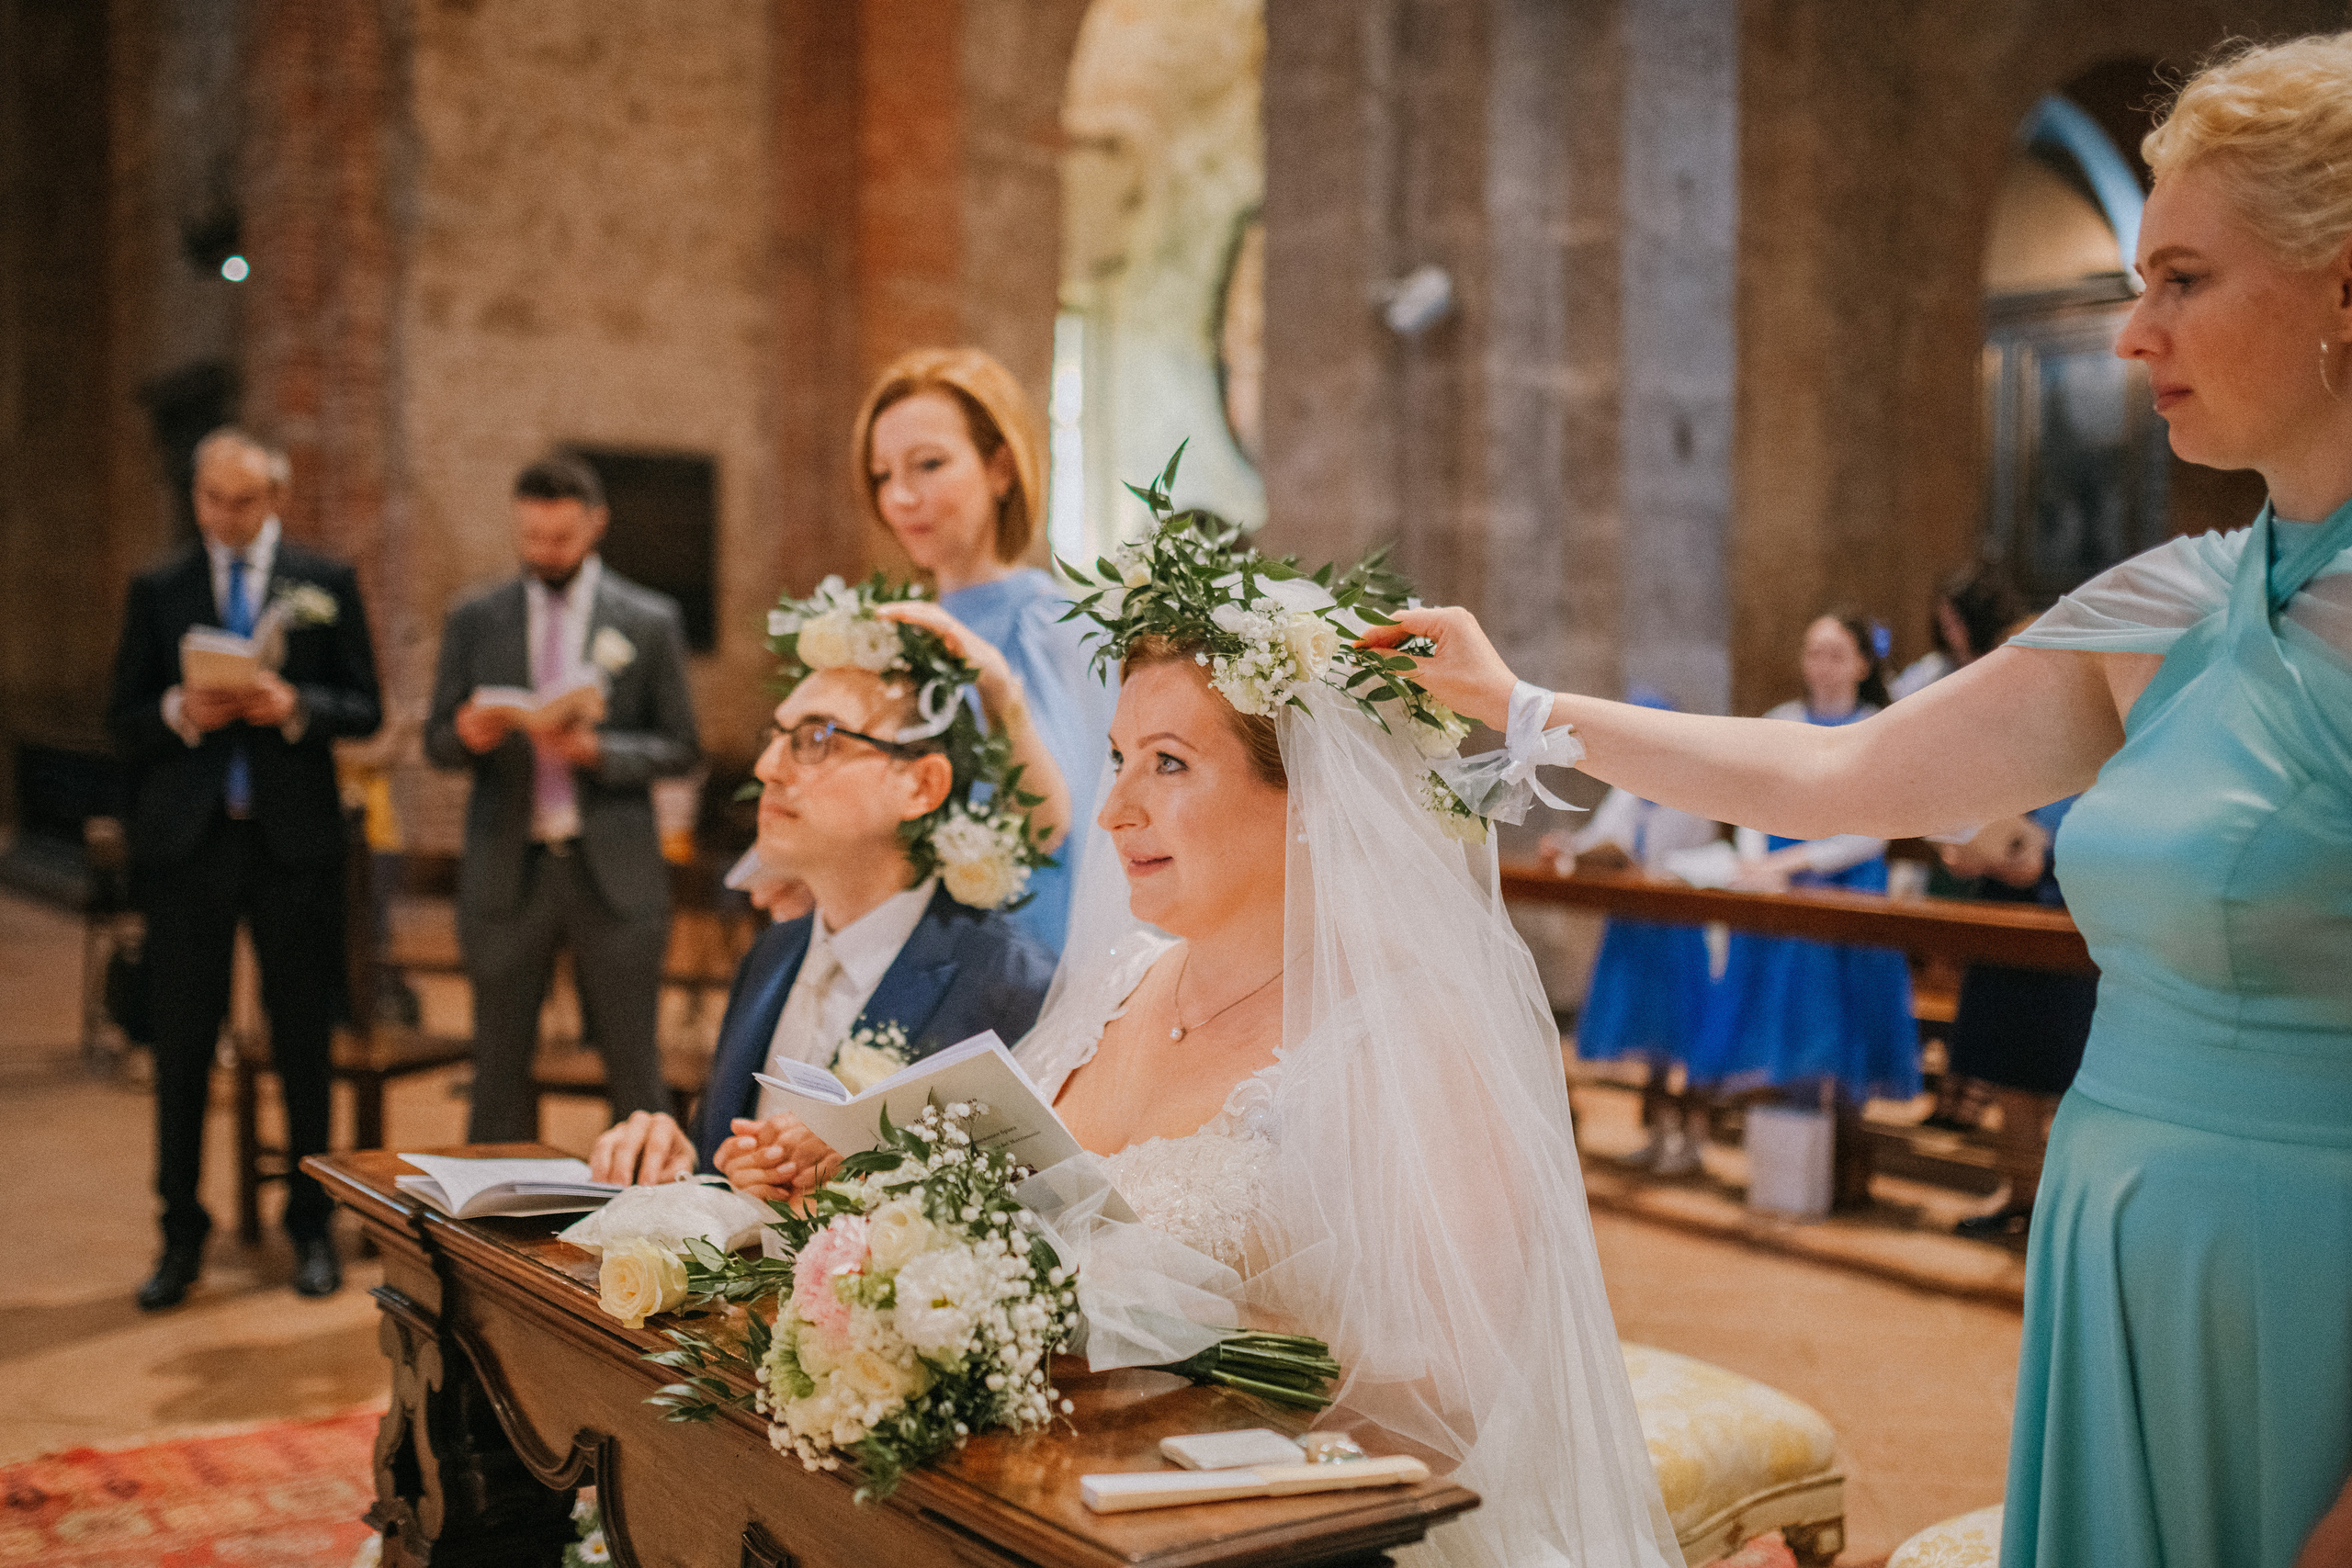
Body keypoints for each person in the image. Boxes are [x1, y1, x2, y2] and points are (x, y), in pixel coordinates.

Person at [1372, 34, 2352, 1560]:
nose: (2130, 332)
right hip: (2116, 1231)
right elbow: (1838, 773)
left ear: (2342, 288)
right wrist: (1522, 705)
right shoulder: (2172, 603)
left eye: (2183, 279)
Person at [724, 504, 1684, 1567]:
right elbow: (1026, 1220)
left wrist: (1158, 1464)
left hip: (1264, 1537)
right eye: (1117, 759)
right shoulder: (1118, 986)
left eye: (1170, 764)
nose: (1114, 810)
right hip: (1047, 1504)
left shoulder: (1412, 1038)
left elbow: (1445, 1407)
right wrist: (876, 1200)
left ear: (1307, 793)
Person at [590, 581, 1062, 1190]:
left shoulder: (1006, 984)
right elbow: (726, 1166)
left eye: (816, 739)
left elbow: (1025, 1212)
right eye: (776, 735)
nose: (767, 768)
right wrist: (675, 1162)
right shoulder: (773, 952)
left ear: (922, 786)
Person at [107, 427, 382, 1308]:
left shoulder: (322, 581)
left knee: (302, 1038)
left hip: (290, 842)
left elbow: (365, 706)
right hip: (190, 844)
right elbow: (120, 717)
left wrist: (295, 705)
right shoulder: (159, 586)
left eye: (245, 501)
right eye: (213, 500)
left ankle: (312, 1226)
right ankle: (180, 1234)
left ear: (276, 499)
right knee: (184, 1042)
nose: (227, 517)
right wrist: (180, 710)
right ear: (197, 497)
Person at [424, 454, 700, 1143]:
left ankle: (649, 1207)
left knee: (635, 1072)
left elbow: (682, 746)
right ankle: (490, 1209)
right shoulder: (476, 617)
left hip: (613, 871)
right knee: (496, 1072)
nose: (546, 551)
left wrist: (600, 752)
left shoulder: (648, 619)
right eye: (532, 536)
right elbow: (436, 741)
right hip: (507, 868)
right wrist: (467, 734)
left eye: (561, 538)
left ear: (595, 524)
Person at [854, 347, 1117, 956]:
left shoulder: (1050, 622)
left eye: (928, 464)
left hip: (1015, 948)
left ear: (1001, 468)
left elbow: (1057, 826)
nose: (901, 497)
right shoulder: (897, 627)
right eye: (883, 474)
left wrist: (999, 694)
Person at [1685, 613, 1918, 1209]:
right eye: (1814, 652)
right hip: (1777, 889)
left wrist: (1796, 862)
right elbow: (1751, 798)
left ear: (1862, 664)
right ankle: (1793, 1161)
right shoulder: (1780, 722)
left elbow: (1876, 826)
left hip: (1845, 885)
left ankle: (1847, 1159)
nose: (1823, 665)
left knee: (1843, 1019)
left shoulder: (1878, 728)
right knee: (1784, 1015)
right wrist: (1758, 863)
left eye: (1836, 654)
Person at [1540, 688, 1723, 1175]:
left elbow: (1701, 854)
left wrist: (1656, 870)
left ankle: (1693, 1139)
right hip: (1635, 924)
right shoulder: (1626, 789)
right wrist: (1569, 846)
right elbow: (1604, 838)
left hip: (1678, 926)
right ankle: (1658, 1134)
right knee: (1650, 1036)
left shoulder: (1692, 790)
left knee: (1686, 1032)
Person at [1936, 800, 2095, 1242]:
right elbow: (1962, 854)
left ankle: (2071, 1207)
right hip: (2001, 921)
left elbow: (2033, 864)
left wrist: (2030, 849)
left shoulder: (2089, 779)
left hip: (2068, 925)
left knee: (2072, 1072)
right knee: (2008, 1067)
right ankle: (2021, 1193)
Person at [1889, 564, 2022, 700]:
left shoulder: (2003, 666)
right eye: (1944, 625)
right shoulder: (1934, 670)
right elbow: (1894, 698)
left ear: (1977, 621)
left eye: (1956, 623)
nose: (1948, 634)